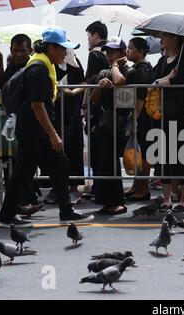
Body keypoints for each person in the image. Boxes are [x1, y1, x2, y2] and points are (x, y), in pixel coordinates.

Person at [0, 27, 94, 228]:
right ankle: (7, 216)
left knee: (57, 164)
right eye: (62, 49)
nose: (65, 53)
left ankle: (65, 211)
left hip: (35, 127)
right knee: (26, 170)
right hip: (34, 128)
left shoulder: (44, 64)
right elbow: (37, 105)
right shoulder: (39, 69)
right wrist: (53, 135)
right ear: (51, 48)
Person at [152, 33, 184, 213]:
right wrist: (164, 79)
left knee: (181, 157)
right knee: (163, 157)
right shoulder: (163, 61)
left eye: (165, 37)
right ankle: (167, 198)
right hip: (162, 114)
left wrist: (163, 81)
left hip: (178, 113)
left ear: (175, 39)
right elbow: (152, 80)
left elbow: (180, 79)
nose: (162, 40)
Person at [111, 37, 153, 202]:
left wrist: (114, 65)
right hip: (138, 114)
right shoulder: (137, 67)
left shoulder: (142, 68)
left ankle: (143, 188)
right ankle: (137, 185)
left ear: (141, 51)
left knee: (144, 152)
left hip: (143, 115)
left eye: (131, 48)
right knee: (138, 150)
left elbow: (138, 95)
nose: (127, 51)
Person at [43, 48, 86, 206]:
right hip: (55, 114)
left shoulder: (74, 63)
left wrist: (73, 92)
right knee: (56, 152)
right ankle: (57, 188)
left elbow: (83, 83)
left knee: (74, 149)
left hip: (72, 114)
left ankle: (74, 187)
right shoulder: (48, 64)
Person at [90, 37, 128, 215]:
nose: (110, 55)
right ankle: (105, 200)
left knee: (113, 162)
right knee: (103, 162)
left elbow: (120, 82)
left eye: (114, 52)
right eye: (108, 52)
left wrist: (115, 66)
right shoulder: (103, 72)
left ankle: (118, 201)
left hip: (123, 121)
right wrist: (100, 86)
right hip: (104, 122)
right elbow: (94, 99)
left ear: (123, 53)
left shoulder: (128, 69)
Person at [81, 21, 109, 201]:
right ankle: (103, 186)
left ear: (96, 35)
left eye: (89, 35)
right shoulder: (110, 52)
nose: (88, 40)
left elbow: (90, 80)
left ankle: (98, 188)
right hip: (108, 108)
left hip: (96, 106)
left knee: (97, 150)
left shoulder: (95, 55)